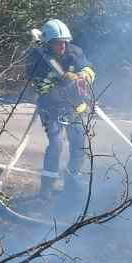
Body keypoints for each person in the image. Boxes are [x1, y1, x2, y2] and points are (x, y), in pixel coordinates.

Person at [24, 19, 96, 198]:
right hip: (51, 110)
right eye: (57, 42)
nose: (62, 46)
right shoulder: (37, 60)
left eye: (64, 41)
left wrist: (81, 77)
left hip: (75, 109)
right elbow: (42, 88)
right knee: (56, 146)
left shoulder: (74, 52)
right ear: (48, 43)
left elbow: (89, 69)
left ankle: (71, 185)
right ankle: (46, 189)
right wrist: (61, 82)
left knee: (79, 146)